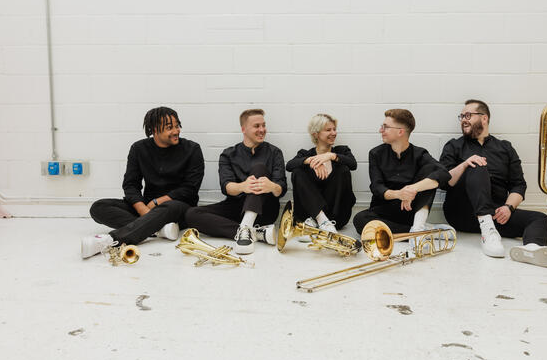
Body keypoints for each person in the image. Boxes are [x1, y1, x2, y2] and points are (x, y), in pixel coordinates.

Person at [440, 99, 547, 268]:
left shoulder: (505, 148)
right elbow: (444, 182)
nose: (463, 119)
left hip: (495, 212)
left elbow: (518, 185)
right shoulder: (454, 146)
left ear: (484, 118)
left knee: (541, 219)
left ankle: (531, 249)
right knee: (477, 164)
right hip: (462, 212)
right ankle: (488, 233)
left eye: (468, 115)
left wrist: (508, 207)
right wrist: (465, 164)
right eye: (461, 116)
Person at [83, 106, 204, 258]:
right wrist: (143, 209)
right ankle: (159, 229)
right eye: (169, 127)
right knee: (99, 207)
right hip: (147, 206)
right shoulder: (139, 149)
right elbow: (130, 185)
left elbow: (190, 188)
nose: (176, 131)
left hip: (178, 206)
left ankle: (113, 240)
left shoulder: (192, 149)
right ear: (154, 129)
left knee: (169, 207)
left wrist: (157, 202)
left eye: (177, 126)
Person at [185, 109, 286, 255]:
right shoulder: (228, 154)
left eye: (263, 125)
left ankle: (246, 227)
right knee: (191, 214)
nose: (262, 130)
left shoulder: (274, 152)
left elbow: (281, 188)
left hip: (264, 210)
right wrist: (243, 186)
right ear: (243, 129)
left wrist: (272, 186)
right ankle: (255, 233)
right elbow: (226, 187)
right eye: (257, 126)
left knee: (259, 168)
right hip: (236, 206)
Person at [352, 109, 450, 253]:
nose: (381, 130)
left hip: (412, 210)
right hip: (384, 211)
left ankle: (418, 227)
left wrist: (412, 189)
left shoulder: (420, 154)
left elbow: (444, 174)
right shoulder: (376, 153)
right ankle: (422, 232)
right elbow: (377, 187)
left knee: (430, 172)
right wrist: (399, 194)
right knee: (360, 220)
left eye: (385, 127)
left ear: (400, 132)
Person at [285, 113, 356, 236]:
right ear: (316, 134)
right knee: (297, 171)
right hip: (309, 218)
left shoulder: (341, 151)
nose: (333, 133)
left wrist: (331, 156)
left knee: (343, 169)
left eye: (334, 129)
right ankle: (321, 219)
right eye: (328, 130)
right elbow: (289, 165)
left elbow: (353, 164)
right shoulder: (305, 154)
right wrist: (311, 161)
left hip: (336, 218)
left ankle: (325, 222)